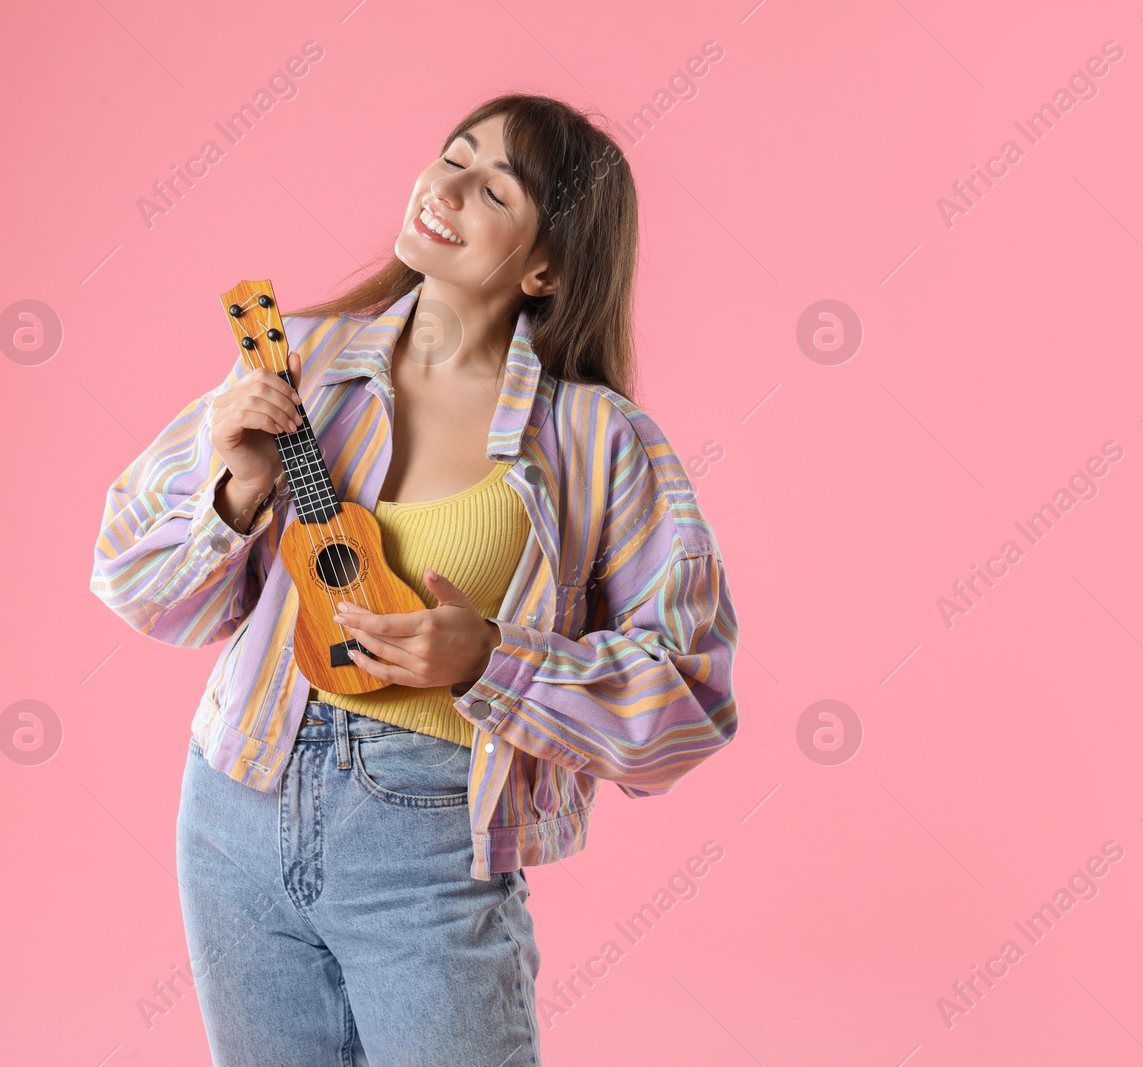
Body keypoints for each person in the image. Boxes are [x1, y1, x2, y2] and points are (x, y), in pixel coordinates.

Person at [90, 93, 740, 1066]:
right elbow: (133, 581)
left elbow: (687, 694)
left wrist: (495, 660)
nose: (448, 186)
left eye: (494, 188)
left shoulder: (596, 441)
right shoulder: (293, 360)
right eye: (452, 155)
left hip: (428, 842)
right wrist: (233, 492)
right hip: (233, 811)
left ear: (546, 264)